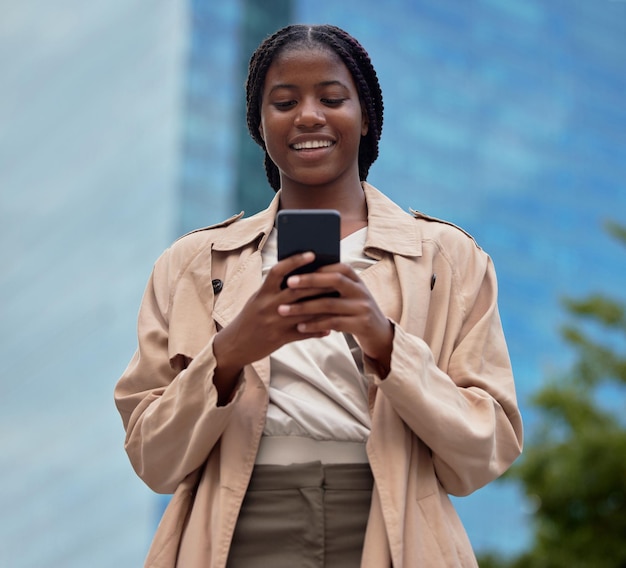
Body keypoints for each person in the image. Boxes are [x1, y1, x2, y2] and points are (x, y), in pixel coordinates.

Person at [114, 23, 523, 568]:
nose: (308, 116)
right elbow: (152, 456)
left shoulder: (446, 258)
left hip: (393, 525)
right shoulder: (193, 264)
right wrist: (230, 353)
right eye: (284, 101)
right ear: (258, 125)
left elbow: (486, 449)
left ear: (367, 115)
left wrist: (386, 344)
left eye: (332, 98)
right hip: (237, 523)